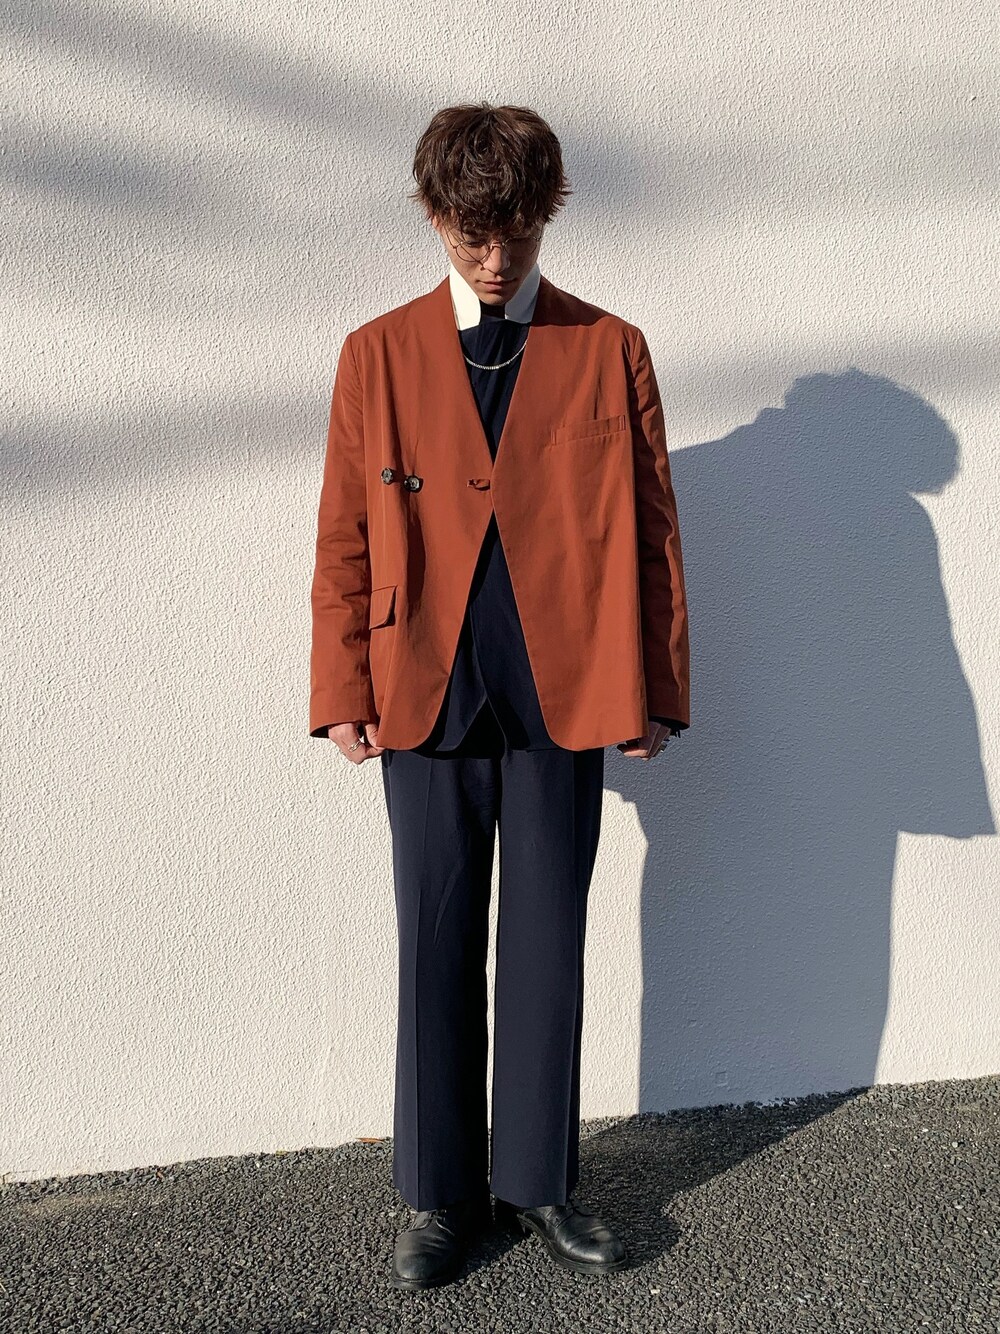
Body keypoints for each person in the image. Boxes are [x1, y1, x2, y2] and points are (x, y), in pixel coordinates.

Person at [308, 102, 690, 1291]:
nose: (494, 255)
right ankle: (440, 1193)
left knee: (546, 942)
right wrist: (339, 684)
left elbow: (654, 528)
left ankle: (536, 1182)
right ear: (435, 217)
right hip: (421, 687)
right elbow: (344, 532)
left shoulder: (608, 347)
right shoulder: (376, 353)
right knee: (432, 938)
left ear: (545, 217)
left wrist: (659, 684)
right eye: (471, 232)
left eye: (515, 231)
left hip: (565, 686)